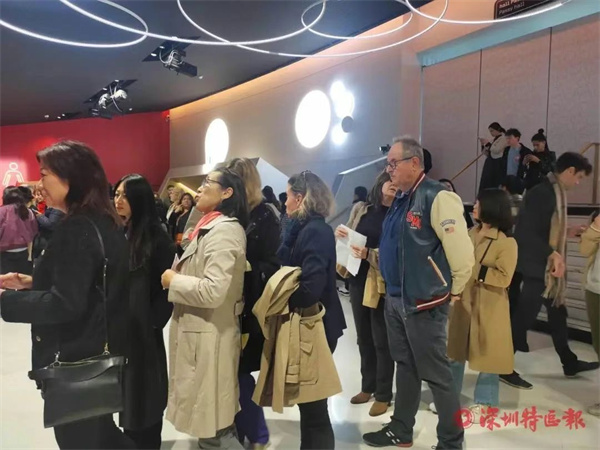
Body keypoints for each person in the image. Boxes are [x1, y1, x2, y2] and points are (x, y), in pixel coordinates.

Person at [0, 140, 133, 449]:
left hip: (76, 359)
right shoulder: (103, 221)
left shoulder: (77, 228)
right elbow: (88, 284)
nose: (39, 185)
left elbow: (66, 304)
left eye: (44, 175)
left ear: (70, 178)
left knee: (80, 439)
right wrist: (33, 283)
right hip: (98, 353)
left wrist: (6, 301)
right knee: (102, 435)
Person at [363, 136, 474, 450]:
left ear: (414, 162)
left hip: (425, 300)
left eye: (393, 164)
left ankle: (451, 442)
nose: (389, 170)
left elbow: (462, 252)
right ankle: (401, 429)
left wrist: (454, 289)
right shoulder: (400, 199)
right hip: (396, 298)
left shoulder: (437, 197)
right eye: (387, 165)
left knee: (437, 374)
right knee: (405, 365)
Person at [160, 168, 248, 449]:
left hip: (211, 335)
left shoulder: (225, 232)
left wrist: (173, 281)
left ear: (227, 192)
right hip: (201, 332)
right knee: (209, 424)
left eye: (207, 183)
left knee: (215, 429)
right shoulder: (208, 226)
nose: (198, 189)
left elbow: (213, 291)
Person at [502, 152, 598, 389]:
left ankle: (569, 362)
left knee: (557, 315)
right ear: (569, 171)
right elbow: (525, 232)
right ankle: (501, 365)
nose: (578, 182)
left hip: (546, 267)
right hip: (538, 267)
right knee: (524, 317)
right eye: (579, 177)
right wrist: (551, 253)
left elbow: (545, 229)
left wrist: (568, 231)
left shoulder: (554, 192)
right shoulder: (543, 193)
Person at [279, 170, 346, 449]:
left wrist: (281, 298)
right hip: (311, 323)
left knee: (314, 405)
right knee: (308, 403)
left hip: (316, 325)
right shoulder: (303, 229)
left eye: (288, 196)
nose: (284, 202)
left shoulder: (314, 231)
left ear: (300, 198)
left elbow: (311, 287)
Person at [114, 174, 176, 449]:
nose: (118, 200)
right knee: (129, 399)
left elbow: (168, 289)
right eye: (117, 194)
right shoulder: (122, 232)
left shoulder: (156, 237)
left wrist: (152, 322)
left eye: (125, 195)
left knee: (146, 399)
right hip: (124, 331)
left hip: (144, 335)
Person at [223, 158, 280, 449]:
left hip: (250, 304)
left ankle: (257, 433)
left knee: (240, 370)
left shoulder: (265, 215)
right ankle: (245, 429)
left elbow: (273, 263)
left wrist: (245, 267)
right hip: (226, 302)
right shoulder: (231, 214)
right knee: (230, 370)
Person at [447, 189, 517, 416]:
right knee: (454, 352)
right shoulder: (469, 233)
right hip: (463, 301)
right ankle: (449, 399)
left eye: (478, 203)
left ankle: (486, 402)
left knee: (488, 355)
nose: (474, 207)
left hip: (489, 305)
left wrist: (473, 268)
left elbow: (504, 278)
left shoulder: (506, 242)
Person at [335, 172, 396, 417]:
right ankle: (367, 386)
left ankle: (383, 394)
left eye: (396, 181)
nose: (393, 184)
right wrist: (342, 235)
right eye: (389, 180)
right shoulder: (362, 209)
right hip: (358, 278)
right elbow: (351, 233)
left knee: (382, 339)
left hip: (380, 282)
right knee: (363, 337)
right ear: (380, 183)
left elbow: (396, 249)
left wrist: (369, 254)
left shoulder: (398, 213)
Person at [580, 210, 600, 416]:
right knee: (598, 344)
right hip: (595, 289)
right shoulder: (597, 221)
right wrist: (595, 227)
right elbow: (585, 250)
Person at [0, 186, 38, 275]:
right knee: (22, 279)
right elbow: (34, 230)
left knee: (6, 280)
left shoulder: (2, 211)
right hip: (23, 251)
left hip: (5, 252)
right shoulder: (27, 211)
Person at [478, 122, 508, 192]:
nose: (491, 133)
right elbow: (487, 153)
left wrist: (488, 143)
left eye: (492, 131)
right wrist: (483, 145)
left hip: (496, 163)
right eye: (490, 131)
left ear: (497, 129)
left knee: (493, 182)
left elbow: (496, 150)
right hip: (490, 162)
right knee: (486, 182)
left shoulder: (503, 138)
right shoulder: (494, 140)